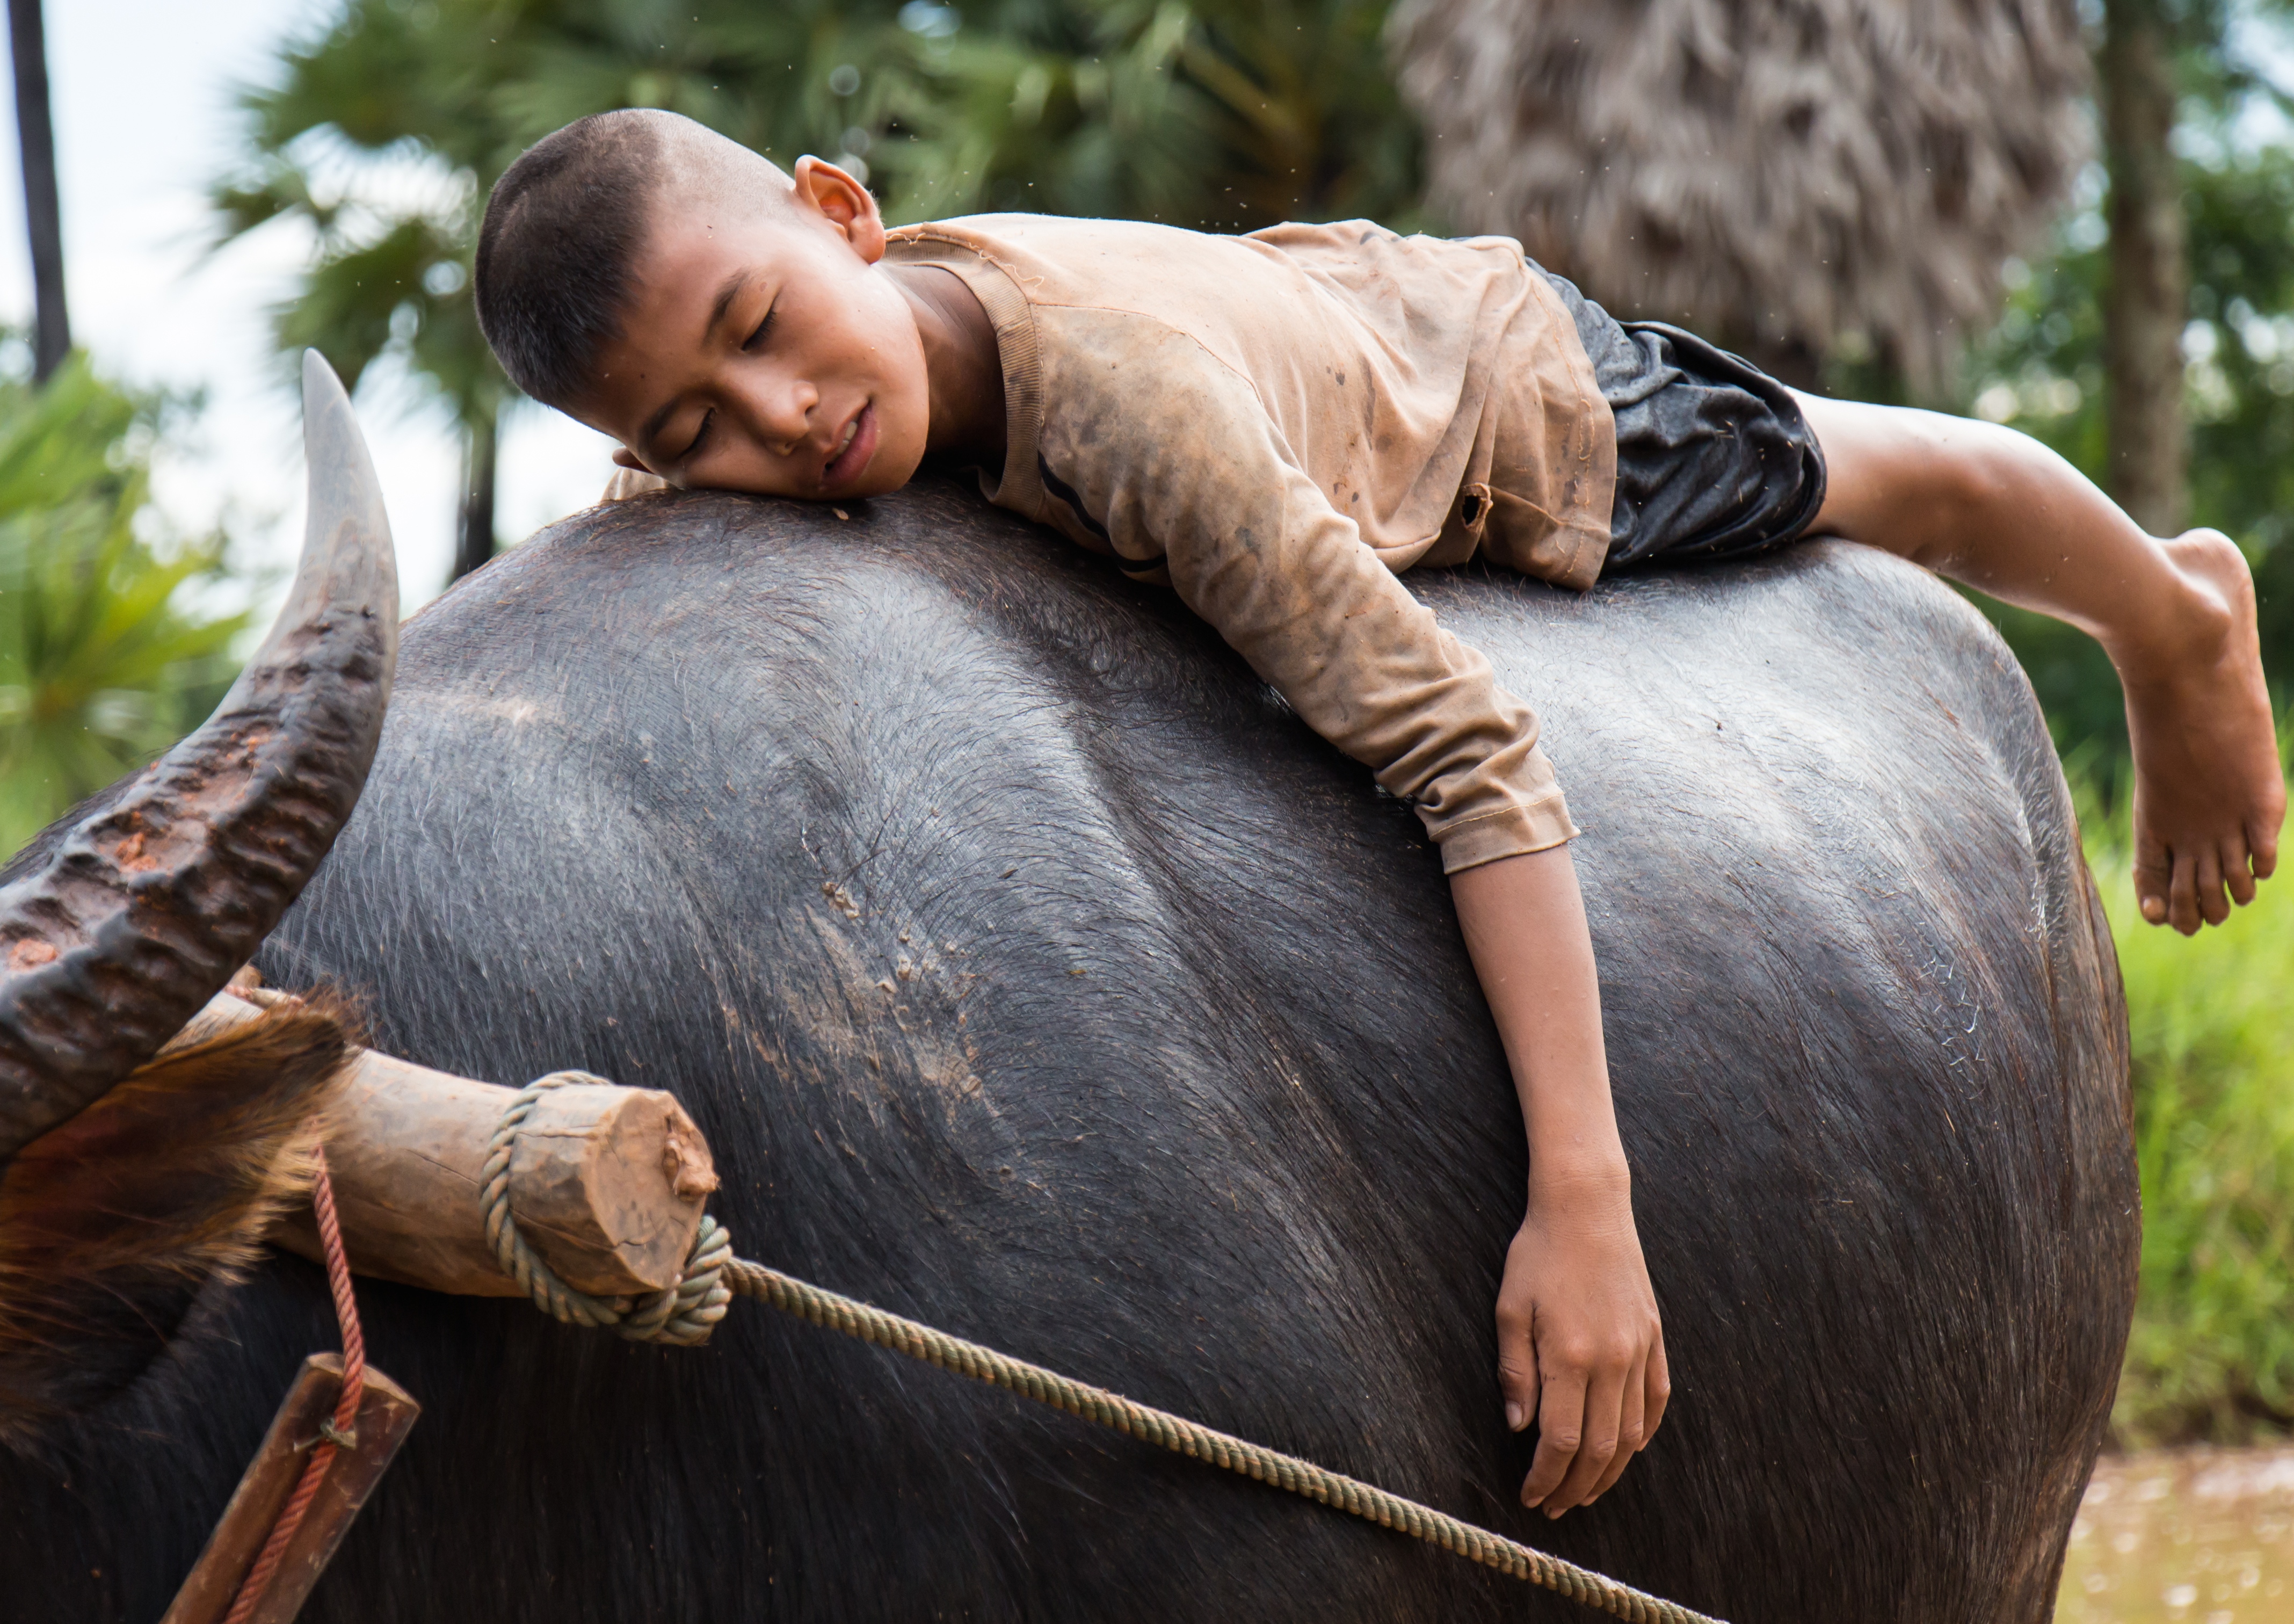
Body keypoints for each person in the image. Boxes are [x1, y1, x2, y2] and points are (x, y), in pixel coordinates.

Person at [470, 108, 2284, 1521]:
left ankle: (2170, 608)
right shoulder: (807, 379)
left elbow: (1471, 752)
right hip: (1292, 314)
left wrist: (1586, 1203)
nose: (778, 420)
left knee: (1899, 482)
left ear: (842, 210)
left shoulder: (1129, 418)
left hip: (1477, 390)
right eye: (695, 426)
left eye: (764, 329)